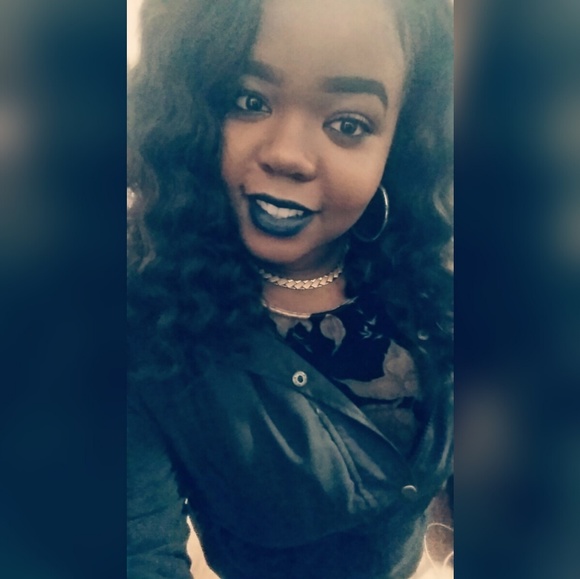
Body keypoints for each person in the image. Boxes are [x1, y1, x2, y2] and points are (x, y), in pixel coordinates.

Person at [127, 0, 453, 577]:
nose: (287, 155)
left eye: (348, 124)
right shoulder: (135, 321)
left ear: (399, 140)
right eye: (249, 100)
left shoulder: (433, 268)